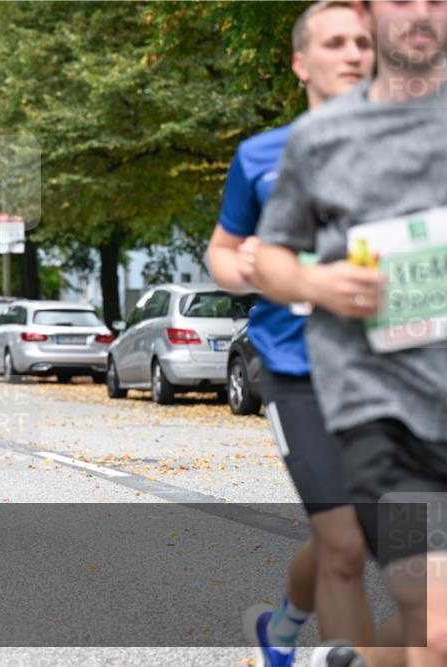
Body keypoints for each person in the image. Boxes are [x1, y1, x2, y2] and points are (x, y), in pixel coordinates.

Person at [254, 1, 447, 664]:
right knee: (428, 613)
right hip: (383, 411)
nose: (421, 12)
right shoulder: (318, 138)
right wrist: (317, 284)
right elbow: (263, 255)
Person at [207, 3, 380, 665]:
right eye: (335, 41)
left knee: (368, 533)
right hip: (296, 368)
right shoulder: (262, 156)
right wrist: (245, 268)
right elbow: (222, 254)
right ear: (302, 64)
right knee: (342, 540)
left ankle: (283, 626)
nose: (354, 52)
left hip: (390, 373)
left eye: (364, 41)